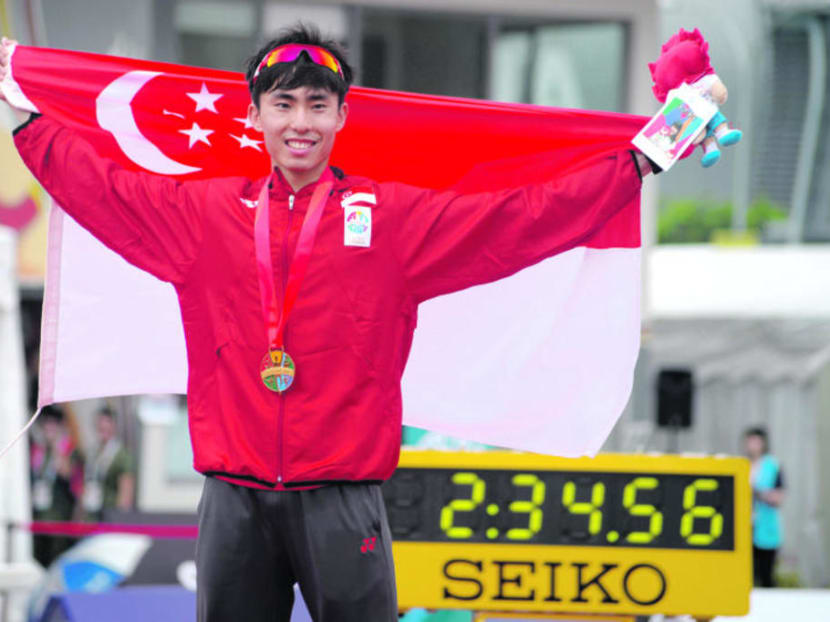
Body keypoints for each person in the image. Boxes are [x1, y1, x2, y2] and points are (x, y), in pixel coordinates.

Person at [3, 25, 662, 620]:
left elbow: (517, 219)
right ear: (254, 114)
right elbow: (104, 188)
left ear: (343, 116)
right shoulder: (204, 216)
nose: (301, 122)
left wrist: (637, 160)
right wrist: (28, 122)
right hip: (235, 497)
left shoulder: (392, 221)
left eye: (318, 105)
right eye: (284, 104)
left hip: (343, 500)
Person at [29, 405, 83, 567]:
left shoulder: (69, 449)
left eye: (53, 424)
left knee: (57, 561)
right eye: (46, 423)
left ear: (60, 426)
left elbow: (67, 473)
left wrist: (54, 448)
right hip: (39, 517)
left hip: (59, 519)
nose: (48, 428)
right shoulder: (38, 450)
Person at [744, 426, 785, 587]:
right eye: (750, 441)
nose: (752, 445)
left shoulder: (773, 465)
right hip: (746, 526)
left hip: (766, 527)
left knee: (766, 575)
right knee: (747, 575)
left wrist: (757, 492)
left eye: (756, 441)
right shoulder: (743, 465)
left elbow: (779, 496)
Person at [81, 406, 135, 521]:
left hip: (110, 515)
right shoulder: (93, 452)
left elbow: (126, 492)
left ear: (114, 426)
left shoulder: (121, 455)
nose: (103, 428)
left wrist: (119, 519)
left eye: (107, 423)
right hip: (92, 513)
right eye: (100, 424)